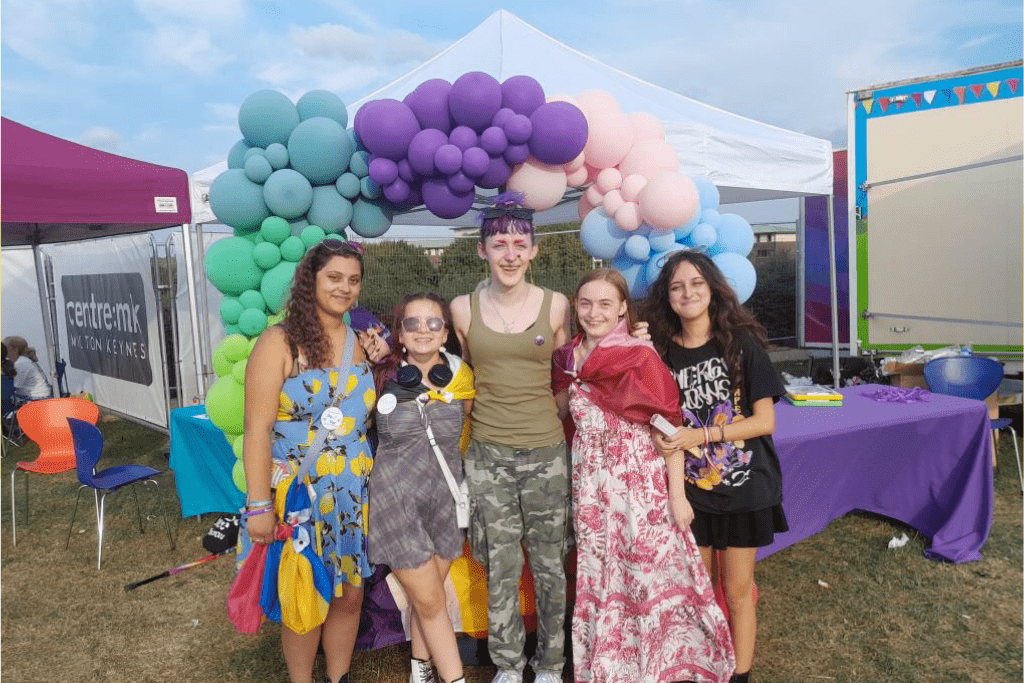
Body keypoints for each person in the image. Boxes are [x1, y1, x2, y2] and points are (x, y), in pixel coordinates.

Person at [551, 268, 735, 683]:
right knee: (601, 574)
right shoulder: (567, 358)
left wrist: (677, 495)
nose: (593, 313)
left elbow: (668, 428)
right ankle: (612, 667)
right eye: (585, 303)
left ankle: (664, 667)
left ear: (621, 309)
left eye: (604, 304)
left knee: (647, 574)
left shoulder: (640, 355)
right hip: (592, 488)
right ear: (574, 307)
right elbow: (562, 416)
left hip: (639, 483)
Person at [638, 251, 788, 683]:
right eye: (677, 286)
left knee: (738, 593)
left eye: (696, 283)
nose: (688, 293)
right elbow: (657, 420)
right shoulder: (660, 354)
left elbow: (765, 421)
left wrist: (701, 436)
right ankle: (704, 668)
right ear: (667, 297)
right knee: (700, 592)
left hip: (745, 488)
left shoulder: (741, 345)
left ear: (712, 288)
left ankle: (739, 675)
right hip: (692, 495)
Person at [240, 238, 376, 683]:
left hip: (353, 494)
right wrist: (258, 505)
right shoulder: (280, 342)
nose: (345, 288)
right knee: (304, 593)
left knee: (348, 593)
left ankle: (339, 677)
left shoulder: (360, 342)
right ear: (310, 280)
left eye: (353, 280)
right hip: (301, 495)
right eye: (334, 277)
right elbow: (257, 429)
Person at [450, 193, 571, 683]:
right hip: (488, 455)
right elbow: (462, 379)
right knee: (498, 565)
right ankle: (506, 664)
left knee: (549, 566)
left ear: (535, 250)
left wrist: (545, 421)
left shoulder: (557, 305)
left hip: (546, 453)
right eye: (499, 244)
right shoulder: (462, 309)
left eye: (520, 244)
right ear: (482, 250)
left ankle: (550, 664)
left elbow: (565, 378)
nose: (510, 254)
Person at [369, 293, 473, 683]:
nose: (423, 330)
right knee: (431, 601)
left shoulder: (462, 377)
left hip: (445, 501)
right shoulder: (377, 376)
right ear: (400, 332)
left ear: (446, 332)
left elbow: (473, 431)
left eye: (434, 323)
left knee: (426, 594)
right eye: (412, 323)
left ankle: (420, 671)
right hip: (395, 502)